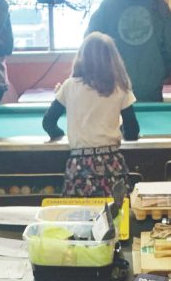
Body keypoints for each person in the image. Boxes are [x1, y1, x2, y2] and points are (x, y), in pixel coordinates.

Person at [42, 31, 139, 197]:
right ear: (112, 58)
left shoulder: (69, 85)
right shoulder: (120, 86)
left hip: (79, 164)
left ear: (82, 56)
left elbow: (48, 122)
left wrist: (60, 135)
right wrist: (120, 131)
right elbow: (132, 130)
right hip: (112, 163)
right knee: (117, 211)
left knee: (77, 212)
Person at [86, 0, 171, 103]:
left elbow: (90, 44)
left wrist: (100, 75)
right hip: (151, 86)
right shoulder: (158, 5)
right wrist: (162, 71)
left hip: (114, 86)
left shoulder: (107, 6)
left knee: (118, 119)